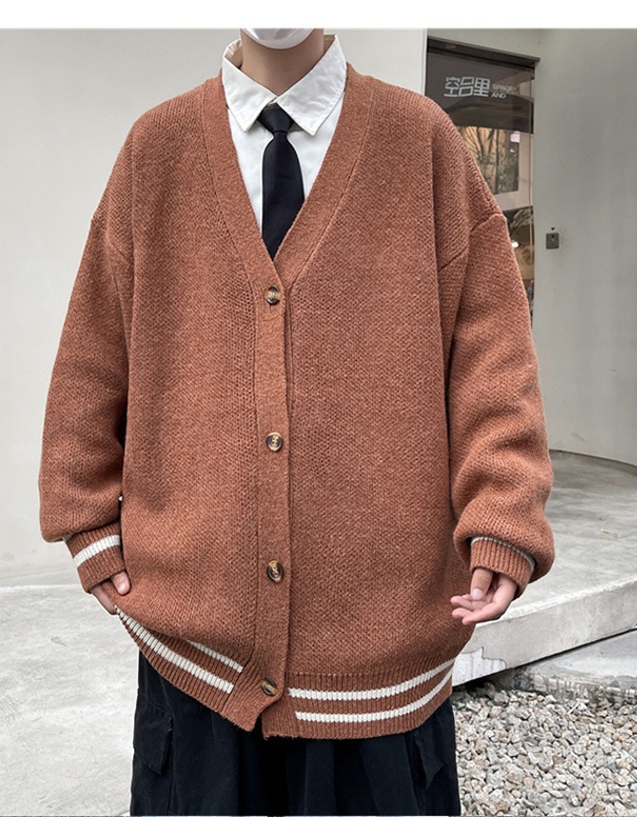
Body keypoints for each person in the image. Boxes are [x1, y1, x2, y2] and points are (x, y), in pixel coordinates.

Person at [39, 28, 554, 816]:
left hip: (379, 666)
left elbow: (494, 358)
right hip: (196, 660)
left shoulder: (422, 144)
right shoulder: (158, 149)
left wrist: (504, 513)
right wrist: (84, 515)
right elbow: (94, 347)